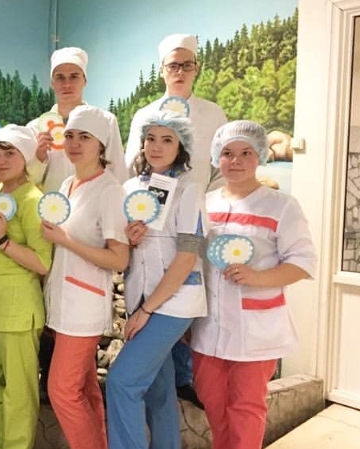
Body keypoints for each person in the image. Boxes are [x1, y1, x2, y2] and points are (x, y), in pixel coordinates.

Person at [191, 121, 316, 449]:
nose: (236, 160)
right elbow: (189, 257)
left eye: (246, 152)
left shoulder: (281, 206)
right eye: (228, 153)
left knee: (246, 407)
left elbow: (303, 263)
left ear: (259, 155)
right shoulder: (206, 203)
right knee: (211, 398)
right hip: (209, 326)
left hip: (256, 328)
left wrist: (257, 278)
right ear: (216, 157)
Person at [123, 33, 228, 406]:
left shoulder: (213, 114)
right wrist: (136, 214)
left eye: (187, 65)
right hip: (151, 221)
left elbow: (220, 171)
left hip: (195, 216)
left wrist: (200, 206)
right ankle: (163, 375)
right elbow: (130, 167)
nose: (180, 71)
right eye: (173, 65)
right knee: (155, 290)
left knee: (187, 292)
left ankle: (185, 375)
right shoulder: (144, 115)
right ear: (162, 70)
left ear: (196, 68)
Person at [107, 110, 208, 449]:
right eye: (151, 138)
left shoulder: (189, 190)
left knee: (122, 381)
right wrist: (130, 241)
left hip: (174, 302)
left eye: (167, 140)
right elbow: (123, 250)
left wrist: (147, 310)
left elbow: (188, 256)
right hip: (140, 295)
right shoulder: (130, 188)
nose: (156, 146)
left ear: (181, 147)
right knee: (159, 389)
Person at [40, 105, 130, 448]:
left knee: (61, 390)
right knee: (86, 388)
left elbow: (119, 257)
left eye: (84, 137)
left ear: (101, 144)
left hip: (83, 306)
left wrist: (65, 240)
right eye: (70, 136)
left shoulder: (109, 190)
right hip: (62, 301)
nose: (75, 143)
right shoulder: (67, 183)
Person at [0, 125, 53, 449]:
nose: (1, 160)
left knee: (19, 395)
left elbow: (43, 263)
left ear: (26, 157)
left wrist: (4, 241)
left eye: (9, 153)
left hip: (18, 313)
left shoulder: (33, 200)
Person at [27, 47, 127, 192]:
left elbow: (117, 171)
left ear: (84, 80)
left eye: (74, 76)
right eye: (60, 77)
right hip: (52, 203)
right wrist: (39, 158)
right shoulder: (35, 128)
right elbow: (27, 182)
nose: (67, 84)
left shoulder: (105, 121)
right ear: (52, 83)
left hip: (95, 202)